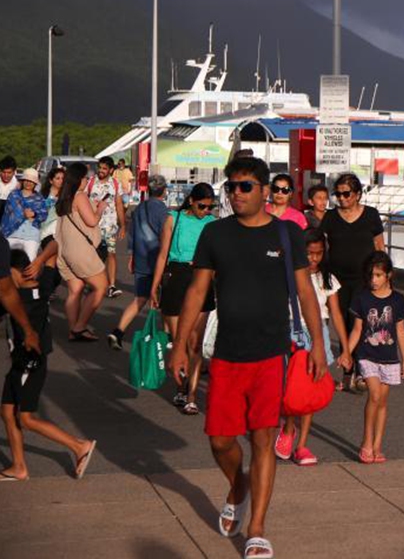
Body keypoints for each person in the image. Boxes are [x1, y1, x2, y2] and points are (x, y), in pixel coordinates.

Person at [167, 156, 328, 559]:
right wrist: (179, 345)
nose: (235, 194)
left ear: (263, 191)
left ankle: (256, 528)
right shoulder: (215, 233)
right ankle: (238, 486)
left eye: (244, 187)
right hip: (227, 354)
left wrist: (319, 345)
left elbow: (305, 292)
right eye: (231, 187)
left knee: (263, 439)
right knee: (220, 440)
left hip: (272, 354)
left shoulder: (286, 234)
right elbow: (197, 291)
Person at [1, 245, 98, 481]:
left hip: (29, 364)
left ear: (15, 272)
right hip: (27, 364)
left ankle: (79, 446)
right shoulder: (43, 285)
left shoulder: (15, 298)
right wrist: (41, 260)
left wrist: (39, 261)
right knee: (7, 411)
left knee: (26, 418)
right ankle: (19, 467)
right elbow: (54, 245)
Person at [276, 230, 352, 465]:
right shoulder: (288, 275)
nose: (314, 259)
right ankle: (289, 427)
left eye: (318, 254)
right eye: (309, 253)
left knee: (309, 390)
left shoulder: (327, 279)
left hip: (318, 334)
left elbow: (336, 314)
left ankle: (302, 445)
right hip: (291, 332)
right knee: (290, 387)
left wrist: (346, 348)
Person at [149, 183, 217, 412]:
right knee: (179, 339)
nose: (205, 211)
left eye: (209, 207)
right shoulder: (173, 219)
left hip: (202, 277)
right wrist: (154, 285)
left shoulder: (212, 223)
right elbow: (162, 255)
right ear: (191, 201)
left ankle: (191, 396)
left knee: (194, 343)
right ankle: (181, 387)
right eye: (202, 206)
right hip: (176, 277)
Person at [320, 173, 385, 391]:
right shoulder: (330, 217)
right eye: (337, 194)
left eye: (346, 193)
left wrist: (384, 276)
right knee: (344, 326)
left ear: (357, 194)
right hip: (336, 280)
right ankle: (349, 370)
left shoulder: (371, 215)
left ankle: (362, 371)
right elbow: (322, 248)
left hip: (364, 279)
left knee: (362, 324)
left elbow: (379, 246)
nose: (341, 198)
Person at [347, 251, 404, 462]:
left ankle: (377, 445)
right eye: (371, 276)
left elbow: (400, 330)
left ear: (388, 275)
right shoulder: (362, 298)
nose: (373, 280)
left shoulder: (398, 300)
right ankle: (366, 442)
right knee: (374, 395)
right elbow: (357, 330)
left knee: (382, 402)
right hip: (367, 355)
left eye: (378, 275)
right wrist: (347, 353)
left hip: (390, 357)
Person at [107, 175, 169, 351]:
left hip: (141, 258)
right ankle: (167, 338)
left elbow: (133, 233)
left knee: (139, 299)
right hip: (158, 260)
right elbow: (165, 237)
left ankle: (118, 332)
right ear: (164, 191)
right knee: (165, 302)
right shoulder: (164, 212)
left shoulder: (140, 207)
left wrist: (132, 255)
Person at [55, 162, 108, 341]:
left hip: (65, 249)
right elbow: (92, 221)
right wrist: (99, 209)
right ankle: (80, 327)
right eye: (86, 177)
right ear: (78, 179)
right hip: (80, 250)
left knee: (75, 291)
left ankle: (73, 330)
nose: (87, 180)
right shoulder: (79, 196)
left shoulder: (64, 197)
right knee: (101, 287)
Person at [86, 156, 126, 298]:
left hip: (110, 226)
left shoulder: (115, 184)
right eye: (100, 168)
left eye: (104, 168)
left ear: (111, 170)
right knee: (93, 255)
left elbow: (119, 205)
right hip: (92, 225)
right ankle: (92, 283)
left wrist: (123, 226)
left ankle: (111, 286)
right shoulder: (90, 182)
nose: (101, 171)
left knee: (111, 253)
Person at [2, 169, 48, 260]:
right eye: (26, 180)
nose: (28, 183)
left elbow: (43, 215)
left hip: (31, 235)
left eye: (31, 181)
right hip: (12, 233)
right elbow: (9, 212)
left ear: (35, 183)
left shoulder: (39, 198)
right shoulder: (13, 195)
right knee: (6, 262)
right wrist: (24, 213)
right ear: (22, 181)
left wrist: (34, 214)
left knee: (29, 263)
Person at [0, 156, 18, 220]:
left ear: (14, 172)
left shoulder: (17, 186)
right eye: (3, 172)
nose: (6, 175)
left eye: (9, 173)